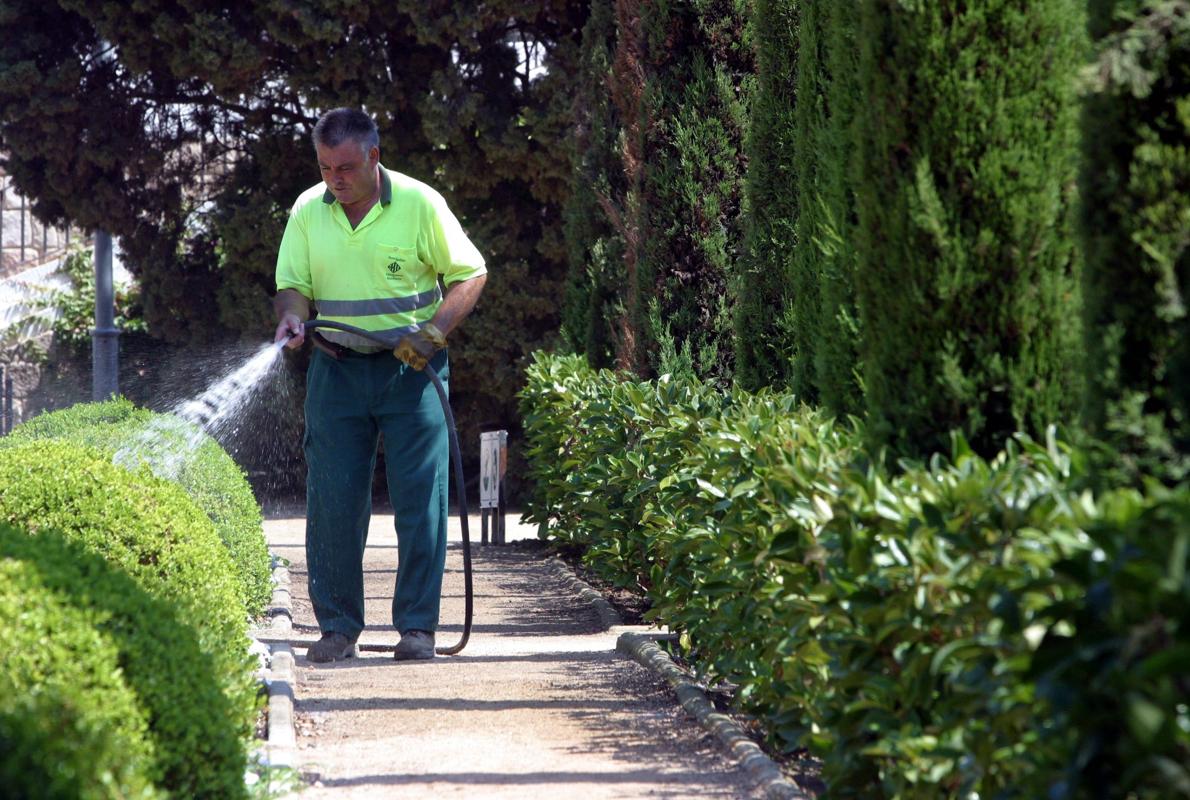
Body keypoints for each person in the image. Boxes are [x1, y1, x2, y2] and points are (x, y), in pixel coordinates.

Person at [273, 107, 487, 663]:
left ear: (373, 155)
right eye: (324, 168)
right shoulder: (307, 210)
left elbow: (471, 273)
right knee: (333, 500)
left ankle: (417, 627)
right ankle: (338, 629)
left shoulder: (419, 203)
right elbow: (292, 285)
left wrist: (434, 334)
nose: (335, 180)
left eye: (345, 167)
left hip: (411, 371)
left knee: (422, 499)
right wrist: (293, 317)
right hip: (335, 370)